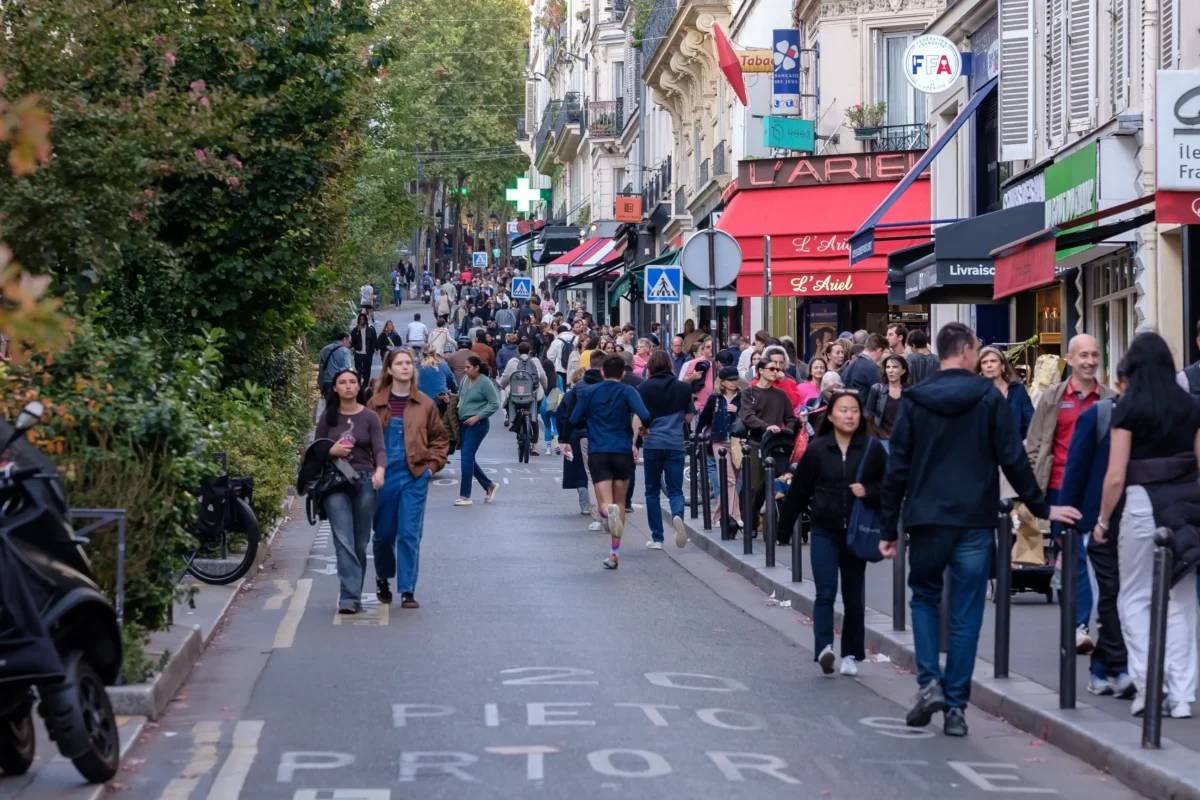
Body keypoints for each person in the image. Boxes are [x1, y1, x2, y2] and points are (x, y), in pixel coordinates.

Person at [879, 322, 1080, 737]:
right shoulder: (989, 397)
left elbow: (896, 466)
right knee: (968, 612)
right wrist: (1042, 506)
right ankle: (956, 708)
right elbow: (1013, 458)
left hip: (927, 517)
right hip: (975, 517)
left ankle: (929, 681)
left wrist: (888, 527)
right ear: (968, 351)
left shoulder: (916, 399)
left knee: (925, 599)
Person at [1094, 332, 1200, 719]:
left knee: (1134, 597)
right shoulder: (1191, 407)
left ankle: (1149, 684)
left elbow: (1116, 476)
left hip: (1141, 504)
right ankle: (1184, 695)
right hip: (1186, 505)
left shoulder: (1128, 407)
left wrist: (1104, 520)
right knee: (1182, 600)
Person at [779, 390, 887, 675]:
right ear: (830, 416)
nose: (849, 415)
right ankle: (825, 648)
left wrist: (870, 491)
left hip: (856, 532)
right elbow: (799, 491)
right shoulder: (817, 449)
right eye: (843, 410)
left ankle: (851, 654)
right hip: (824, 530)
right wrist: (783, 529)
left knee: (853, 598)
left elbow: (889, 487)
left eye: (854, 410)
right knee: (825, 593)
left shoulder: (872, 448)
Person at [1025, 334, 1110, 652]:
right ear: (1069, 359)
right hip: (1059, 488)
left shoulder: (1107, 398)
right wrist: (1033, 492)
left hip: (1096, 492)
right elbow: (1035, 444)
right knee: (1069, 557)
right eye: (1083, 355)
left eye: (1095, 354)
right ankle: (1076, 625)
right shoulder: (1054, 398)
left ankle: (1078, 625)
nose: (1090, 361)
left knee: (1085, 556)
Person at [1060, 361, 1133, 699]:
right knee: (1111, 595)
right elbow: (1075, 468)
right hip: (1096, 520)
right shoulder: (1100, 414)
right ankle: (1114, 668)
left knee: (1123, 598)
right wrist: (1066, 521)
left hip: (1139, 519)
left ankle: (1106, 667)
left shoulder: (1158, 413)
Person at [367, 348, 449, 609]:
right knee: (383, 535)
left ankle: (407, 590)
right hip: (383, 476)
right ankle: (383, 577)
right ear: (389, 369)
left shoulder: (425, 404)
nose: (405, 367)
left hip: (414, 475)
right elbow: (363, 441)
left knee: (409, 534)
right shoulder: (375, 403)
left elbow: (440, 439)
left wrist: (430, 469)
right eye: (400, 363)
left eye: (409, 363)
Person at [570, 355, 652, 569]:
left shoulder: (589, 391)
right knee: (621, 502)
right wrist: (642, 429)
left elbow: (573, 418)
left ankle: (607, 513)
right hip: (622, 450)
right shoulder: (628, 391)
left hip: (598, 450)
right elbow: (645, 414)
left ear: (603, 373)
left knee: (604, 503)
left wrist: (590, 421)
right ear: (623, 373)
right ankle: (614, 553)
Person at [315, 369, 385, 614]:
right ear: (335, 388)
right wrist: (331, 451)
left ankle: (352, 591)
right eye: (342, 383)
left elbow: (380, 449)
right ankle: (349, 597)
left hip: (364, 480)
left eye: (352, 382)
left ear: (359, 387)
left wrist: (380, 471)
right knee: (343, 539)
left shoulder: (370, 417)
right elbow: (316, 451)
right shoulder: (327, 418)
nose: (347, 386)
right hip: (335, 482)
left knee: (359, 542)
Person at [637, 350, 695, 550]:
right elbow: (689, 418)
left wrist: (641, 432)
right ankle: (677, 516)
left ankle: (657, 538)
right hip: (675, 443)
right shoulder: (683, 388)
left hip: (652, 443)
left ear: (650, 366)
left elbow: (640, 416)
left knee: (652, 491)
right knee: (675, 489)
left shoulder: (643, 388)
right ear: (670, 365)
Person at [739, 359, 798, 536]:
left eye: (778, 368)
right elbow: (747, 416)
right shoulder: (749, 392)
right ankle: (750, 521)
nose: (776, 371)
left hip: (776, 446)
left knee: (774, 484)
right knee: (754, 486)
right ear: (761, 371)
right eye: (771, 368)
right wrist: (766, 426)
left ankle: (767, 523)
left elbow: (791, 418)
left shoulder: (780, 394)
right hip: (756, 443)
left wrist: (785, 431)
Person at [699, 366, 743, 530]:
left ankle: (718, 516)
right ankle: (734, 516)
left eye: (735, 379)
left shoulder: (742, 397)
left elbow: (748, 417)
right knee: (729, 479)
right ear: (723, 382)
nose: (734, 382)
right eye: (730, 380)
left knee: (734, 480)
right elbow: (704, 418)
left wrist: (737, 411)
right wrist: (698, 436)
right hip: (719, 442)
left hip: (738, 442)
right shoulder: (715, 398)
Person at [455, 355, 500, 506]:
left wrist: (478, 416)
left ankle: (465, 495)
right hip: (463, 424)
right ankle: (489, 485)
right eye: (465, 367)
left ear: (477, 368)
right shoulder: (464, 380)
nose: (465, 370)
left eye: (468, 367)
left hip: (478, 425)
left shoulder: (485, 382)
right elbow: (460, 397)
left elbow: (494, 404)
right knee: (468, 459)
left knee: (466, 456)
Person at [978, 345, 1034, 440]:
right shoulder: (977, 393)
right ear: (981, 369)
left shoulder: (1017, 390)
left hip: (1016, 449)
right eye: (984, 362)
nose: (989, 365)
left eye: (993, 361)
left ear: (1003, 366)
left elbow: (1032, 423)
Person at [500, 341, 548, 434]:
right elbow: (542, 377)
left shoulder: (512, 362)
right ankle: (535, 444)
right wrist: (545, 387)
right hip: (533, 394)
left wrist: (502, 385)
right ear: (530, 351)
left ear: (518, 351)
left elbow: (505, 378)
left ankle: (513, 421)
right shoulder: (536, 361)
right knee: (535, 416)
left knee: (508, 402)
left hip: (515, 394)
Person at [864, 353, 909, 438]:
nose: (891, 370)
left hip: (903, 440)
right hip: (882, 439)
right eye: (888, 367)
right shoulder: (877, 389)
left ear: (903, 371)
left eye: (895, 367)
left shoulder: (909, 391)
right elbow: (868, 416)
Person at [349, 313, 376, 385]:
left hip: (368, 353)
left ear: (365, 320)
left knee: (367, 370)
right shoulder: (355, 330)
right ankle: (358, 384)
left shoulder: (371, 330)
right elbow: (351, 340)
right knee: (358, 370)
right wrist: (352, 347)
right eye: (360, 319)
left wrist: (375, 349)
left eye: (363, 319)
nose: (362, 321)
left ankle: (365, 384)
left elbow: (374, 340)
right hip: (358, 353)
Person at [547, 325, 577, 389]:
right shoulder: (576, 339)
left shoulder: (556, 341)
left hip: (560, 369)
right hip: (574, 368)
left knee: (562, 387)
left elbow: (550, 356)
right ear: (568, 331)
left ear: (558, 332)